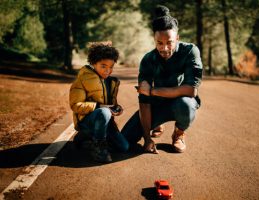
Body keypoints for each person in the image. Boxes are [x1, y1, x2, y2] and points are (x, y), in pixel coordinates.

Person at [122, 5, 202, 154]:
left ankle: (178, 133)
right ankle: (158, 124)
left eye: (170, 42)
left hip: (180, 102)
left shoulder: (190, 51)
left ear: (177, 38)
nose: (165, 48)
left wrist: (152, 91)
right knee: (124, 140)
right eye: (160, 43)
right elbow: (144, 102)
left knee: (185, 105)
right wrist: (146, 138)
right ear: (154, 39)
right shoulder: (148, 60)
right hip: (157, 105)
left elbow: (191, 90)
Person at [69, 41, 129, 163]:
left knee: (124, 147)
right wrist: (99, 106)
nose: (108, 71)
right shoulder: (82, 79)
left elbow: (109, 104)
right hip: (87, 121)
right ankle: (97, 146)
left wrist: (116, 108)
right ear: (93, 63)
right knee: (104, 112)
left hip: (105, 120)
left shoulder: (112, 82)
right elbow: (75, 105)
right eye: (103, 66)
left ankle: (88, 138)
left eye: (111, 67)